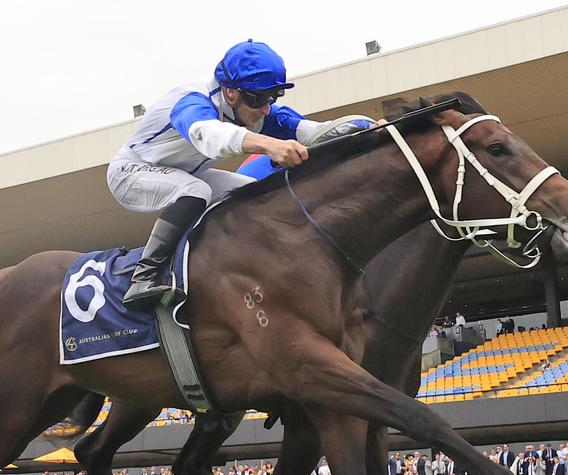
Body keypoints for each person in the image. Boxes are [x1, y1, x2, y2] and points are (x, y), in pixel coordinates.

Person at [108, 39, 371, 307]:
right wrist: (269, 144)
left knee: (253, 192)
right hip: (130, 172)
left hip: (181, 172)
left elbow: (315, 130)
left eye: (273, 97)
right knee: (197, 191)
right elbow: (209, 135)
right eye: (259, 98)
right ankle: (143, 276)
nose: (266, 108)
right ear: (231, 92)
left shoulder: (249, 109)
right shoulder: (191, 100)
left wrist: (371, 128)